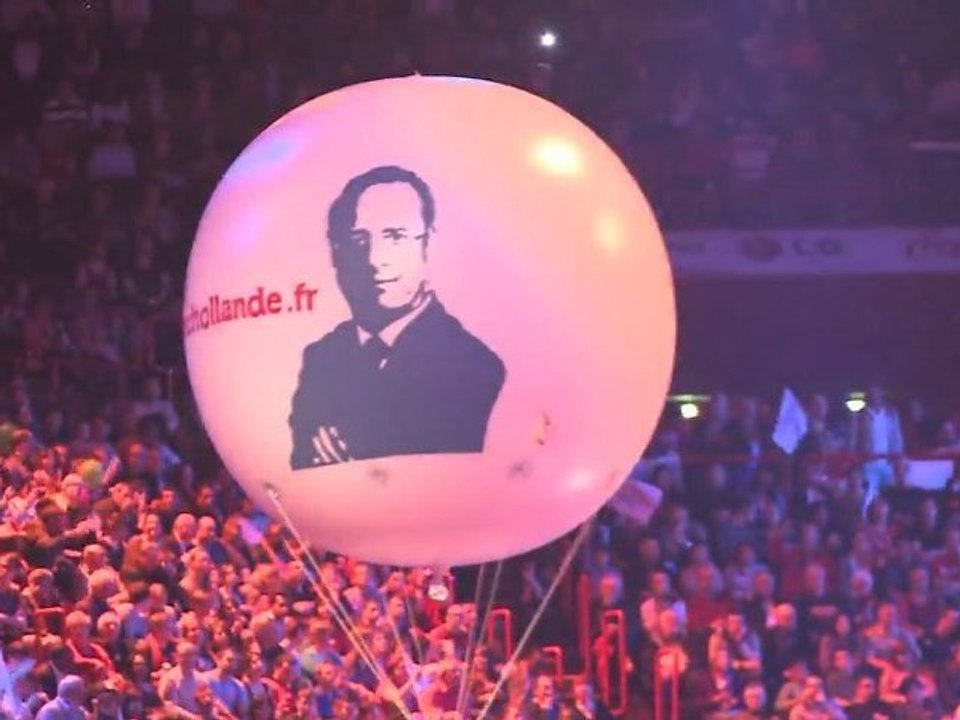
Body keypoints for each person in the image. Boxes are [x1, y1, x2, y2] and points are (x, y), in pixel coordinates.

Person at [289, 165, 506, 469]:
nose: (376, 260)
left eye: (395, 236)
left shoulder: (474, 365)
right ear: (337, 254)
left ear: (427, 243)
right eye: (359, 240)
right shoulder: (321, 358)